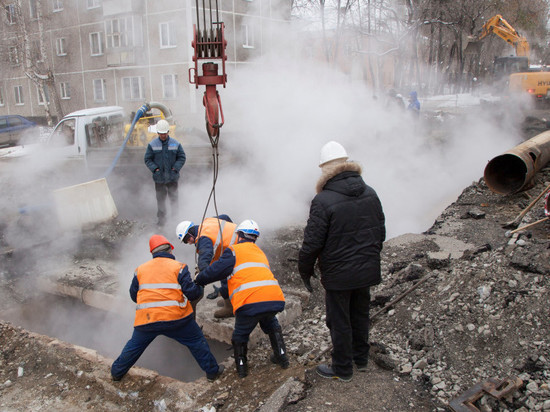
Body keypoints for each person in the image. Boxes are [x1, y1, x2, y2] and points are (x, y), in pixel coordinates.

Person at [298, 141, 386, 382]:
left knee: (339, 321)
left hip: (339, 275)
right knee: (360, 314)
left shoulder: (323, 200)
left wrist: (304, 271)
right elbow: (380, 233)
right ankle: (361, 359)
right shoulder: (370, 192)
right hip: (366, 269)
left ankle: (343, 368)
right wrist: (369, 257)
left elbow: (312, 243)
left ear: (325, 170)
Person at [110, 234, 224, 382]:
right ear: (170, 250)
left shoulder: (140, 270)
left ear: (153, 253)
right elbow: (192, 293)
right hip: (177, 319)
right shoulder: (179, 267)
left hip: (147, 320)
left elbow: (134, 296)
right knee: (196, 341)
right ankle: (212, 372)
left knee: (134, 347)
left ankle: (117, 372)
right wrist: (199, 283)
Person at [194, 219, 289, 378]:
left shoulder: (232, 251)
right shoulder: (259, 252)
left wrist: (199, 278)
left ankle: (242, 368)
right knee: (272, 325)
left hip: (249, 303)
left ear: (239, 235)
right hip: (273, 299)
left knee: (240, 335)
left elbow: (215, 272)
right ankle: (282, 357)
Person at [176, 215, 238, 318]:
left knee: (226, 274)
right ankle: (230, 299)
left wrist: (201, 275)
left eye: (187, 238)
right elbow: (225, 217)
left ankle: (230, 307)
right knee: (221, 266)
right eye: (185, 242)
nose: (189, 242)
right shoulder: (208, 221)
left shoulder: (203, 238)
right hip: (240, 244)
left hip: (237, 252)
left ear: (190, 232)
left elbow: (205, 255)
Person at [144, 119, 186, 227]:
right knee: (161, 200)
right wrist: (155, 169)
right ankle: (161, 221)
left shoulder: (175, 144)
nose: (163, 135)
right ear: (158, 133)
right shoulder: (152, 145)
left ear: (168, 132)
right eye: (161, 133)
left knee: (174, 199)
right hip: (159, 179)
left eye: (165, 133)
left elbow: (182, 157)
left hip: (172, 178)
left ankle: (175, 219)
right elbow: (147, 159)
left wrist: (175, 169)